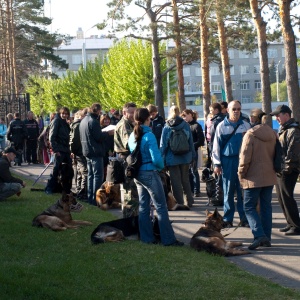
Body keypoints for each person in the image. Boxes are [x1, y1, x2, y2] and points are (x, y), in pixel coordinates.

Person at [128, 108, 183, 246]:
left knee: (144, 206)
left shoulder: (132, 135)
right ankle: (168, 239)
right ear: (148, 119)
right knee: (161, 207)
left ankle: (146, 238)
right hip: (150, 172)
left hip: (138, 174)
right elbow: (157, 159)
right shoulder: (149, 136)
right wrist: (160, 167)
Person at [238, 112, 277, 249]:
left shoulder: (250, 134)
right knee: (266, 207)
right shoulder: (273, 133)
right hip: (269, 175)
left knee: (248, 207)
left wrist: (241, 173)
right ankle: (267, 237)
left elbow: (244, 157)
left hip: (252, 176)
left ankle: (259, 235)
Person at [212, 100, 251, 227]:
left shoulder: (246, 126)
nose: (236, 111)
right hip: (227, 161)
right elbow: (216, 147)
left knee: (243, 191)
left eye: (238, 109)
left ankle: (244, 218)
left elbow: (252, 146)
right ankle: (228, 219)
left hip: (243, 162)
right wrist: (217, 164)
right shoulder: (221, 126)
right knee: (228, 190)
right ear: (227, 110)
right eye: (234, 109)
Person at [270, 104, 300, 236]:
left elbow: (293, 153)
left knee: (287, 197)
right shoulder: (284, 129)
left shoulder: (293, 131)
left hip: (289, 170)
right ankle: (290, 223)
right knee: (281, 198)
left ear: (287, 115)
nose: (276, 118)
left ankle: (296, 225)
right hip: (281, 169)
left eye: (278, 115)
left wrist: (285, 169)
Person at [160, 106, 196, 207]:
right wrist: (193, 155)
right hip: (185, 156)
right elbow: (190, 141)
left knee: (175, 181)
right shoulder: (185, 125)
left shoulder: (167, 126)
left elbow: (163, 144)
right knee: (185, 179)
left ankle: (180, 202)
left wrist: (162, 158)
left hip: (172, 157)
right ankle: (189, 200)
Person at [80, 103, 114, 206]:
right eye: (100, 112)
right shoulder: (93, 122)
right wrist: (108, 133)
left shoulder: (84, 120)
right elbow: (98, 137)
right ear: (97, 111)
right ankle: (96, 199)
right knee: (97, 176)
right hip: (95, 151)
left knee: (90, 175)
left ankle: (91, 198)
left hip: (87, 150)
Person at [181, 109, 205, 197]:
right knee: (188, 171)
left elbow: (201, 140)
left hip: (193, 151)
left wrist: (192, 146)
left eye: (185, 115)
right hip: (186, 151)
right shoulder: (184, 126)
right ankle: (191, 189)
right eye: (183, 116)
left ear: (190, 115)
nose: (184, 118)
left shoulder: (196, 126)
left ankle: (196, 190)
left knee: (194, 171)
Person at [70, 110, 88, 200]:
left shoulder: (75, 125)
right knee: (84, 172)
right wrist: (74, 151)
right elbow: (74, 140)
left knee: (80, 172)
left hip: (78, 151)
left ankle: (79, 190)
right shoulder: (78, 125)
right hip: (80, 152)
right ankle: (82, 192)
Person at [100, 113, 115, 181]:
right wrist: (108, 150)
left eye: (108, 119)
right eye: (104, 119)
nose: (106, 121)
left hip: (112, 151)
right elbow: (104, 142)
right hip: (105, 152)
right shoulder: (101, 129)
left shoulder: (111, 128)